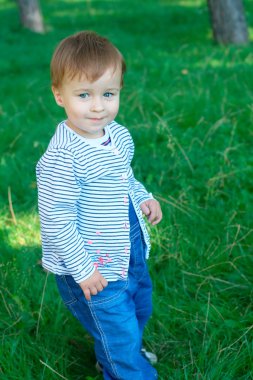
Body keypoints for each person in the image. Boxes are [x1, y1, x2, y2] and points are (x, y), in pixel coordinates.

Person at [36, 30, 162, 380]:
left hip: (128, 251)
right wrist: (84, 269)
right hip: (93, 266)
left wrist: (144, 197)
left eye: (108, 93)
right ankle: (124, 366)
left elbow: (125, 179)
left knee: (139, 307)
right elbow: (57, 220)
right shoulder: (63, 158)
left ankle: (119, 351)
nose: (98, 106)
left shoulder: (117, 135)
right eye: (84, 95)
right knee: (116, 328)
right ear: (59, 95)